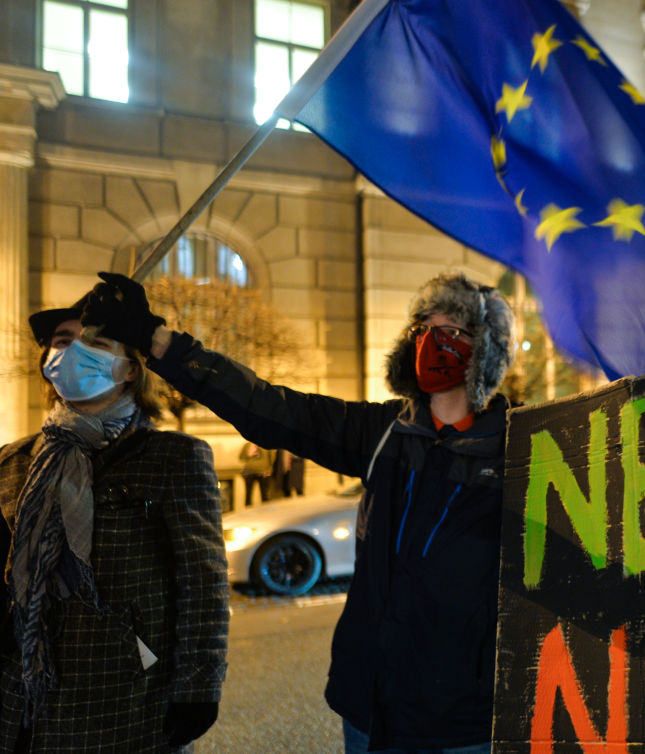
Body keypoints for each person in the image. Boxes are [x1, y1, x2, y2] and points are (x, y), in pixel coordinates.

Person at [81, 270, 516, 752]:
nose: (431, 341)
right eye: (423, 328)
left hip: (462, 718)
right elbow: (268, 407)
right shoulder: (384, 431)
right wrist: (154, 338)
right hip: (369, 704)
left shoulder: (521, 450)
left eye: (451, 330)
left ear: (487, 349)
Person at [0, 294, 230, 752]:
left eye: (96, 343)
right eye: (62, 341)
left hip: (123, 696)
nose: (73, 352)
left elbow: (203, 584)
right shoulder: (13, 460)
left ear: (130, 371)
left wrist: (198, 688)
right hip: (21, 696)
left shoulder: (173, 458)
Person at [238, 441, 273, 506]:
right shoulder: (247, 445)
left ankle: (266, 510)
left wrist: (270, 470)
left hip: (263, 472)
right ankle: (248, 510)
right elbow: (241, 458)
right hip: (249, 472)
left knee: (265, 494)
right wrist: (248, 453)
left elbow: (271, 459)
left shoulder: (266, 444)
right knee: (248, 494)